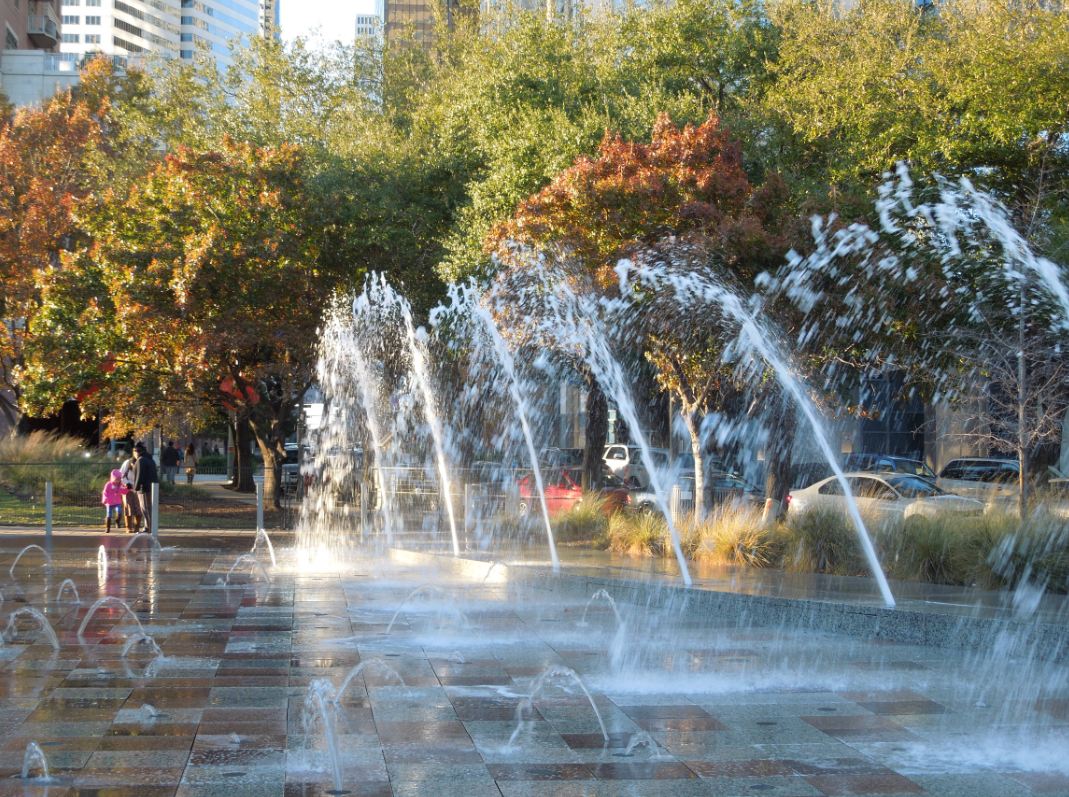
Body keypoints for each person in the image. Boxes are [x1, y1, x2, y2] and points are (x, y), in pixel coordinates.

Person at [132, 442, 159, 531]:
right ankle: (148, 526)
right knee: (149, 508)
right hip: (152, 487)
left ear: (136, 451)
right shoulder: (150, 460)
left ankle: (149, 527)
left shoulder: (141, 460)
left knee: (145, 508)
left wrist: (135, 488)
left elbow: (139, 475)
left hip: (143, 488)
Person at [118, 451, 141, 533]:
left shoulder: (142, 462)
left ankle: (137, 527)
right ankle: (128, 527)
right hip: (127, 489)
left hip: (138, 489)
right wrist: (126, 483)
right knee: (128, 508)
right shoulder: (127, 463)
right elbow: (121, 475)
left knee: (138, 509)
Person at [100, 469, 127, 534]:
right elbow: (105, 492)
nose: (117, 481)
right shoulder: (108, 484)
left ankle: (117, 521)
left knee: (119, 511)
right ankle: (107, 528)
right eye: (116, 479)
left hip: (117, 501)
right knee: (109, 515)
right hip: (109, 502)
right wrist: (105, 499)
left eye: (119, 479)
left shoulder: (120, 484)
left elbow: (123, 491)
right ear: (113, 478)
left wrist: (127, 489)